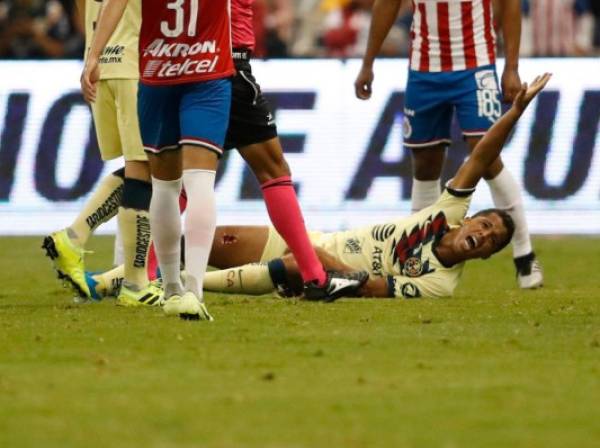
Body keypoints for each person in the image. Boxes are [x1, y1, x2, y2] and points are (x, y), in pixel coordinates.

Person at [88, 74, 551, 301]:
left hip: (324, 271)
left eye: (493, 240)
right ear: (472, 217)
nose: (486, 233)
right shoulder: (446, 214)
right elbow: (478, 157)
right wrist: (514, 113)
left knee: (268, 263)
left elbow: (371, 287)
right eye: (488, 223)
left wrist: (316, 268)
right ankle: (111, 282)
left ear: (485, 255)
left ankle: (167, 291)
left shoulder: (440, 284)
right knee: (202, 241)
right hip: (316, 245)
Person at [79, 0, 368, 305]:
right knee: (271, 169)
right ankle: (314, 277)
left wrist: (95, 55)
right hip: (221, 64)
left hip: (173, 65)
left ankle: (137, 275)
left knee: (177, 182)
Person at [354, 0, 544, 290]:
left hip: (475, 66)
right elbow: (387, 4)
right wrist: (368, 63)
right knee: (425, 164)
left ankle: (524, 254)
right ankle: (415, 253)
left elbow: (509, 4)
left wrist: (512, 67)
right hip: (423, 70)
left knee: (487, 156)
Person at [80, 0, 237, 321]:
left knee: (165, 187)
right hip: (207, 73)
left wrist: (93, 56)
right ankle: (193, 290)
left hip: (157, 75)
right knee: (199, 182)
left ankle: (170, 289)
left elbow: (115, 3)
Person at [42, 0, 163, 307]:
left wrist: (92, 55)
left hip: (101, 70)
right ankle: (134, 281)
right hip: (134, 63)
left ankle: (76, 239)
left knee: (141, 167)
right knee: (146, 168)